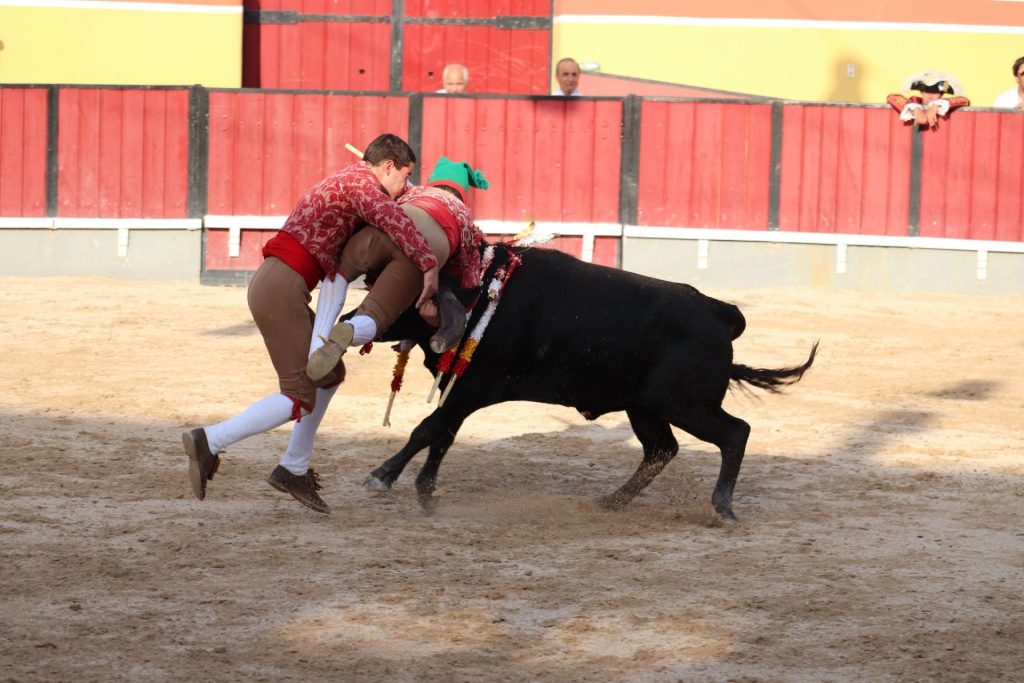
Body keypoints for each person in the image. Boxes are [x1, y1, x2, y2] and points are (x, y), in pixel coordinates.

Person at [181, 133, 439, 514]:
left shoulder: (348, 181)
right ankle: (210, 440)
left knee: (329, 374)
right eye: (405, 176)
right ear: (388, 166)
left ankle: (294, 467)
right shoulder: (362, 186)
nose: (404, 185)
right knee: (298, 396)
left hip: (279, 282)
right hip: (281, 287)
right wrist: (430, 265)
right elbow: (394, 220)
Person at [306, 157, 489, 386]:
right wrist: (446, 311)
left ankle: (316, 344)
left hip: (388, 223)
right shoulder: (464, 217)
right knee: (377, 312)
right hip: (425, 246)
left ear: (432, 182)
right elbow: (467, 276)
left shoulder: (413, 192)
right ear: (461, 194)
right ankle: (350, 330)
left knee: (340, 274)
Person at [886, 71, 970, 128]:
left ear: (941, 95)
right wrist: (916, 109)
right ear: (922, 93)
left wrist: (936, 105)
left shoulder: (943, 105)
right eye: (927, 92)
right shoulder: (914, 101)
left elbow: (964, 100)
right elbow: (891, 97)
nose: (930, 96)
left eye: (935, 93)